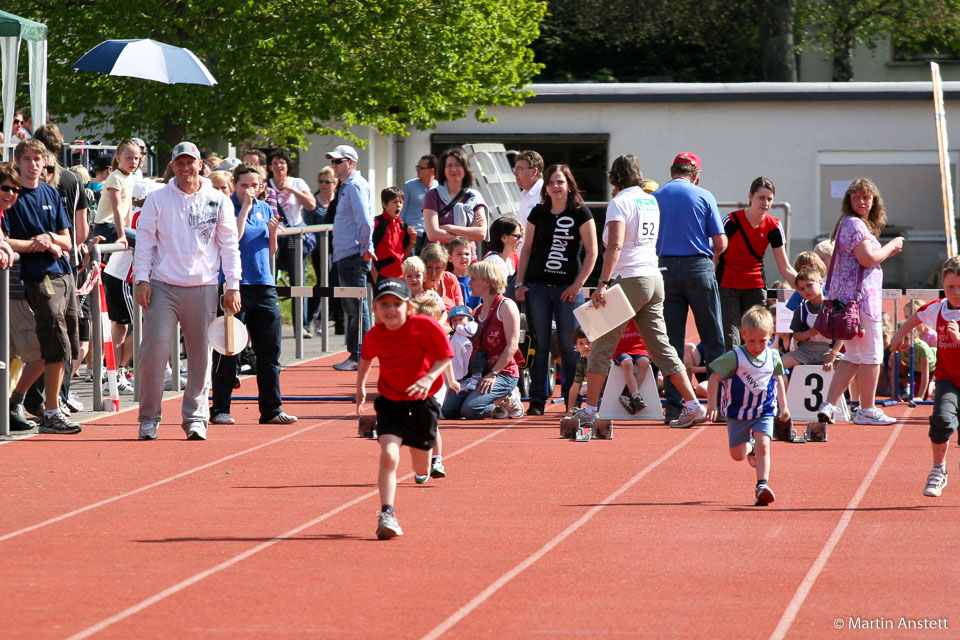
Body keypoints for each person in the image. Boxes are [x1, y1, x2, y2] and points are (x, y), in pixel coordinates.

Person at [570, 154, 706, 430]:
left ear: (615, 178)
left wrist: (603, 283)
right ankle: (693, 404)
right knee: (662, 347)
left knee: (601, 346)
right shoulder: (649, 200)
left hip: (628, 278)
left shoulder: (620, 202)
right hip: (653, 278)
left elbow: (615, 245)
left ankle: (590, 410)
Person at [133, 141, 242, 441]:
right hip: (163, 285)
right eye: (179, 163)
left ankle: (195, 419)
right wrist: (141, 278)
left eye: (190, 162)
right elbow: (145, 241)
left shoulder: (217, 200)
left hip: (203, 286)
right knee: (152, 351)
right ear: (172, 166)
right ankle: (148, 419)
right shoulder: (157, 199)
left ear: (200, 165)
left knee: (200, 357)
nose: (185, 168)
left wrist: (232, 284)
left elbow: (229, 245)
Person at [355, 278, 454, 539]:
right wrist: (361, 387)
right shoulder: (375, 334)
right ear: (375, 308)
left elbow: (445, 356)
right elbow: (365, 359)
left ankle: (422, 466)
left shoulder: (424, 326)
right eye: (384, 304)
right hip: (390, 401)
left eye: (396, 304)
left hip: (423, 401)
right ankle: (387, 512)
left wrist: (428, 378)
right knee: (389, 455)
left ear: (408, 307)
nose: (390, 309)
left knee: (420, 467)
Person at [2, 140, 81, 434]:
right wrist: (38, 245)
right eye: (28, 159)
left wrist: (48, 238)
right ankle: (47, 409)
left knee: (64, 345)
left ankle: (23, 402)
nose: (33, 164)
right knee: (48, 347)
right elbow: (5, 239)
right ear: (18, 162)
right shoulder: (10, 196)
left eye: (38, 159)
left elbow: (66, 240)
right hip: (30, 282)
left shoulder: (50, 191)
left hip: (63, 275)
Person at [210, 162, 297, 426]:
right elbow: (233, 240)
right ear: (236, 184)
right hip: (236, 285)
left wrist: (272, 235)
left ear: (261, 187)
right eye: (244, 185)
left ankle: (271, 409)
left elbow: (268, 252)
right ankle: (221, 408)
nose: (249, 190)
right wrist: (245, 208)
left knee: (270, 350)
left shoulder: (266, 208)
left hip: (264, 284)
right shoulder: (227, 207)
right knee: (228, 349)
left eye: (254, 185)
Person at [815, 179, 904, 426]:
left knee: (853, 355)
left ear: (874, 200)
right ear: (849, 201)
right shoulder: (854, 224)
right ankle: (867, 408)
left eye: (866, 197)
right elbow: (868, 259)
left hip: (849, 302)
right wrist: (893, 246)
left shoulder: (848, 223)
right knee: (873, 354)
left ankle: (829, 405)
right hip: (861, 301)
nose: (862, 202)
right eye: (856, 197)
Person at [515, 163, 598, 415]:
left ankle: (571, 402)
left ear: (569, 184)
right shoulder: (537, 214)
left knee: (569, 345)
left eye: (560, 182)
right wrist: (520, 282)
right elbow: (527, 249)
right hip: (538, 287)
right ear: (546, 187)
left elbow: (592, 251)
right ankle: (538, 401)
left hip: (568, 289)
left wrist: (577, 285)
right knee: (539, 344)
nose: (555, 187)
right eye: (551, 182)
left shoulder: (581, 213)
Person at [653, 152, 727, 423]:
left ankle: (674, 405)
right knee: (713, 337)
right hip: (699, 267)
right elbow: (720, 242)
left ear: (673, 171)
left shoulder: (656, 196)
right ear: (695, 175)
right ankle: (718, 405)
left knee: (670, 341)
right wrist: (712, 262)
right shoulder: (704, 195)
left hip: (665, 269)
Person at [705, 305, 789, 506]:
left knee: (765, 445)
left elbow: (778, 380)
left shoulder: (773, 356)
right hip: (737, 413)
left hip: (764, 411)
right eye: (751, 341)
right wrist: (711, 404)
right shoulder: (735, 356)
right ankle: (749, 448)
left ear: (771, 335)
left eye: (763, 340)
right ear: (743, 335)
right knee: (737, 455)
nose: (758, 345)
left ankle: (762, 486)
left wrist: (784, 406)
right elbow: (714, 378)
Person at [890, 257, 960, 496]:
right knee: (940, 421)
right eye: (951, 287)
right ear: (943, 284)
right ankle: (938, 470)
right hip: (947, 378)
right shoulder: (939, 308)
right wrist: (899, 333)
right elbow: (917, 316)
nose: (956, 292)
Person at [717, 177, 797, 351]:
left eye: (769, 199)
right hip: (727, 286)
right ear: (750, 197)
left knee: (756, 336)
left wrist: (806, 286)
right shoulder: (731, 221)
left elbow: (785, 267)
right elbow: (715, 254)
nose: (765, 203)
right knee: (731, 338)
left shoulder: (774, 226)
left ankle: (754, 377)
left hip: (755, 287)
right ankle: (731, 377)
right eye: (761, 198)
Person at [441, 261, 524, 420]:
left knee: (471, 410)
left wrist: (493, 374)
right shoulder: (478, 310)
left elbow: (512, 346)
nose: (469, 283)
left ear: (487, 281)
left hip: (503, 373)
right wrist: (462, 378)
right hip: (479, 373)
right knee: (449, 410)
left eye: (473, 279)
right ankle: (491, 402)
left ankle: (506, 400)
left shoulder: (506, 306)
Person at [327, 144, 373, 371]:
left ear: (351, 163)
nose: (334, 165)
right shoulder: (349, 185)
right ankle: (358, 354)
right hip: (349, 253)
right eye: (333, 161)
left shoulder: (354, 186)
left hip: (353, 253)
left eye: (338, 161)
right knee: (354, 306)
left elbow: (364, 220)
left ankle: (359, 356)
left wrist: (366, 247)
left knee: (357, 306)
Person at [423, 147, 487, 260]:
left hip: (467, 260)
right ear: (443, 169)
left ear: (465, 168)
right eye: (449, 166)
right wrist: (469, 233)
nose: (454, 169)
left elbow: (481, 233)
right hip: (440, 261)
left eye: (458, 165)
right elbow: (433, 234)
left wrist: (449, 228)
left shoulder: (474, 196)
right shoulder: (432, 195)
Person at [266, 149, 316, 293]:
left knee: (298, 281)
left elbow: (311, 205)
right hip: (274, 236)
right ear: (270, 167)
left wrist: (292, 190)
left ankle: (301, 315)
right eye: (275, 163)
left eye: (282, 162)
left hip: (294, 236)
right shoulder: (266, 185)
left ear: (288, 165)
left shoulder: (297, 183)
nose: (278, 166)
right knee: (271, 278)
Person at [781, 267, 844, 371]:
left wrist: (833, 355)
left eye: (809, 285)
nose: (806, 290)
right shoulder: (800, 309)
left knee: (853, 367)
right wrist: (811, 332)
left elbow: (842, 336)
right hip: (804, 352)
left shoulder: (834, 307)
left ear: (820, 283)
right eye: (801, 289)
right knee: (776, 366)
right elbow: (796, 336)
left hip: (828, 351)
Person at [305, 166, 338, 333]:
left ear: (335, 183)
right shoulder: (313, 201)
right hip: (318, 249)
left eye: (327, 181)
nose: (324, 185)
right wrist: (309, 248)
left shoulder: (338, 200)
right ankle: (311, 316)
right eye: (321, 181)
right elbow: (308, 226)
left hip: (336, 248)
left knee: (333, 283)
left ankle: (324, 316)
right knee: (322, 282)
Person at [91, 139, 140, 247]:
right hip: (105, 228)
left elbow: (128, 207)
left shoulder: (130, 177)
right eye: (129, 158)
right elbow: (116, 208)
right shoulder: (115, 177)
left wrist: (129, 229)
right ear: (118, 158)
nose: (133, 162)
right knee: (145, 240)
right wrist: (122, 235)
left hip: (117, 227)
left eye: (136, 158)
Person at [370, 186, 416, 281]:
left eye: (401, 202)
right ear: (384, 205)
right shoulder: (376, 223)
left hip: (400, 276)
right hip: (382, 275)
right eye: (394, 202)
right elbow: (367, 251)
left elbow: (404, 254)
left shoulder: (403, 225)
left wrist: (412, 240)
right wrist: (375, 277)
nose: (398, 205)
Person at [612, 319, 653, 415]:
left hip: (638, 347)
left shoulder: (640, 314)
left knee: (644, 362)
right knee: (627, 363)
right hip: (621, 349)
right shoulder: (616, 314)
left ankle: (628, 395)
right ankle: (636, 396)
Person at [401, 154, 437, 256]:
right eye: (417, 167)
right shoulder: (409, 186)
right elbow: (401, 211)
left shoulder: (439, 188)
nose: (417, 170)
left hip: (431, 237)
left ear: (432, 170)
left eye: (421, 168)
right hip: (411, 235)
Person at [421, 242, 464, 324]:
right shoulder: (416, 283)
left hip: (453, 330)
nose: (433, 273)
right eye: (429, 267)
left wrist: (449, 329)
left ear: (444, 268)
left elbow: (460, 311)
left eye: (438, 268)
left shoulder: (450, 279)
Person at [512, 150, 544, 255]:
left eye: (519, 169)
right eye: (515, 169)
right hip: (522, 259)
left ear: (534, 171)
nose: (515, 173)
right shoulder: (523, 195)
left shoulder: (545, 193)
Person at [481, 216, 522, 281]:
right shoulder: (494, 262)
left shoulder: (505, 260)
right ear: (504, 238)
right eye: (518, 236)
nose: (520, 241)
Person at [449, 236, 479, 309]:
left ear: (472, 257)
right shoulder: (447, 279)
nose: (464, 257)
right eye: (459, 254)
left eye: (467, 254)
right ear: (450, 258)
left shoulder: (478, 279)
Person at [567, 328, 591, 412]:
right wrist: (569, 411)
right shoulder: (581, 363)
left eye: (589, 342)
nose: (586, 346)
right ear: (576, 347)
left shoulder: (602, 360)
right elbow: (575, 387)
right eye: (581, 343)